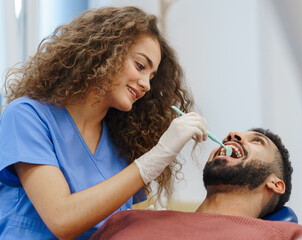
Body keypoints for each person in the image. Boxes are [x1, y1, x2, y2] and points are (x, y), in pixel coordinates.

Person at [0, 6, 208, 240]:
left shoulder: (124, 142)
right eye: (140, 66)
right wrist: (155, 158)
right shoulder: (27, 116)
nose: (146, 85)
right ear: (105, 53)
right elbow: (61, 219)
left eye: (151, 77)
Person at [90, 128, 302, 240]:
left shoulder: (288, 235)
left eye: (257, 141)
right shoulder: (127, 220)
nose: (231, 135)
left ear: (276, 184)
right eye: (229, 138)